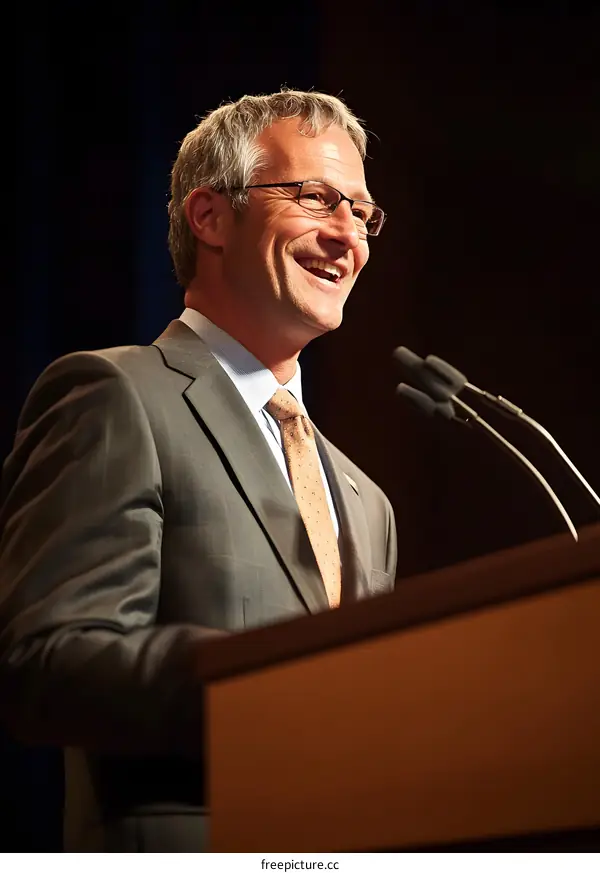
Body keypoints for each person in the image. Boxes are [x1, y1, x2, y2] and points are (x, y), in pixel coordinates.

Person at [0, 89, 397, 851]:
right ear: (210, 216)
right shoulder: (117, 395)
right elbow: (44, 660)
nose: (348, 233)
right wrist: (267, 684)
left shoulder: (366, 499)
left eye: (362, 211)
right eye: (317, 198)